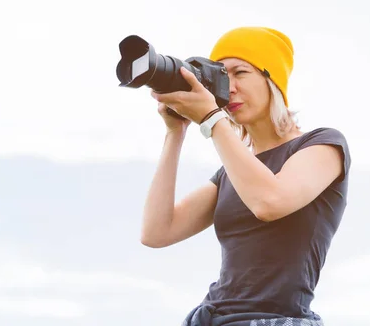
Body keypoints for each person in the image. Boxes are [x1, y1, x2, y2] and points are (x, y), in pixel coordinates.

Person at [141, 26, 351, 326]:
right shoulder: (231, 174)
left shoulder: (323, 145)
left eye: (240, 73)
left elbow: (269, 202)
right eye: (222, 77)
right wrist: (175, 133)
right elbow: (156, 232)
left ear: (272, 80)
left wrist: (212, 118)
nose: (231, 87)